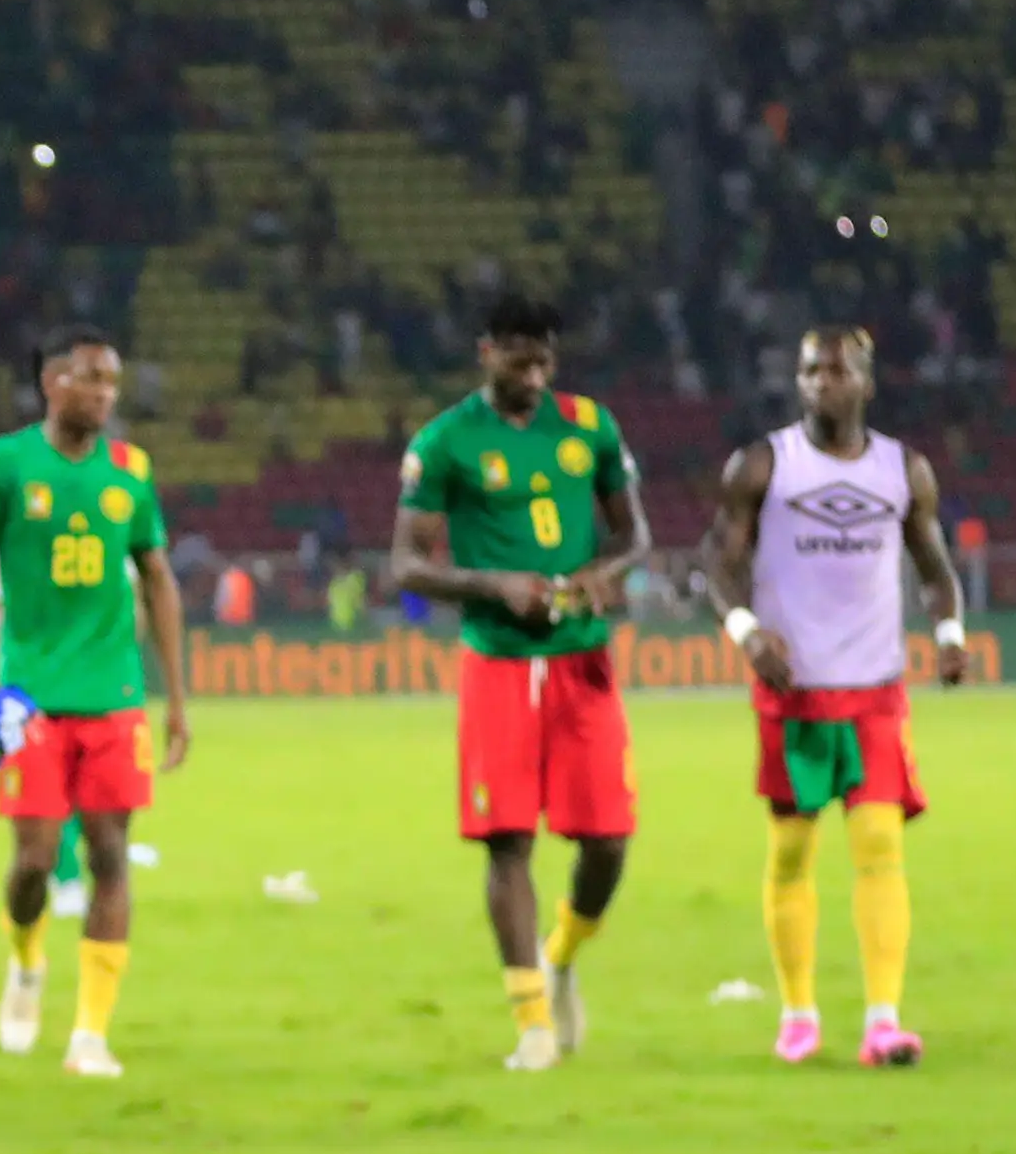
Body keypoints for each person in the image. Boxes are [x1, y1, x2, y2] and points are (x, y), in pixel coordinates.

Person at [390, 293, 647, 1070]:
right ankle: (532, 1020)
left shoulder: (590, 427)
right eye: (518, 359)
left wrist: (608, 574)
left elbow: (636, 536)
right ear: (486, 352)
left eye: (544, 361)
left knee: (608, 840)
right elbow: (403, 564)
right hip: (499, 665)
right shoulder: (444, 443)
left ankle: (562, 952)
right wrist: (495, 586)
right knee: (508, 843)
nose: (533, 375)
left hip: (583, 660)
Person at [705, 325, 971, 1066]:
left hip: (875, 688)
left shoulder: (902, 470)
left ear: (867, 381)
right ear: (799, 382)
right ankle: (798, 1015)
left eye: (839, 371)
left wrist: (949, 632)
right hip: (795, 692)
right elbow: (715, 561)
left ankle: (884, 1021)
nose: (825, 382)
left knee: (880, 843)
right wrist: (749, 633)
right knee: (792, 849)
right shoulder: (763, 465)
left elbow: (935, 566)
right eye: (811, 371)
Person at [0, 335, 191, 1075]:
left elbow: (157, 577)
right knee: (31, 862)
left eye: (113, 381)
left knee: (110, 854)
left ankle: (90, 1033)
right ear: (52, 383)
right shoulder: (4, 465)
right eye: (90, 379)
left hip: (114, 697)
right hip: (29, 702)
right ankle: (26, 961)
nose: (105, 394)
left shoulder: (132, 471)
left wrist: (175, 697)